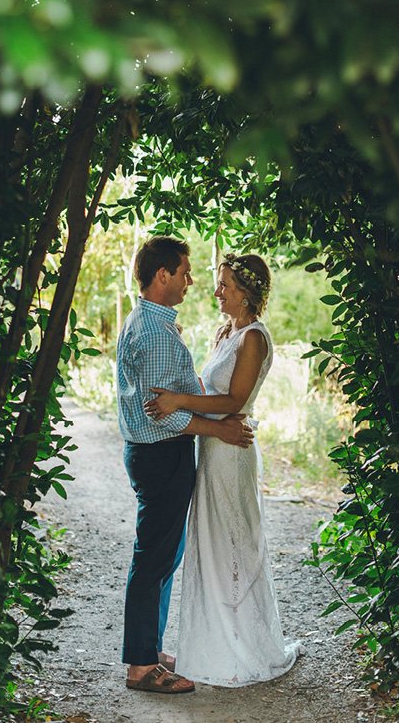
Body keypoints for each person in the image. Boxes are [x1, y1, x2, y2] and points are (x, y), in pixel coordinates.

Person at [144, 252, 304, 686]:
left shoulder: (254, 338)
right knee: (212, 545)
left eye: (225, 285)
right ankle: (216, 643)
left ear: (246, 293)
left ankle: (244, 646)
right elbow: (207, 387)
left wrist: (178, 401)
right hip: (211, 449)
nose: (216, 291)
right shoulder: (225, 332)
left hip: (232, 451)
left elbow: (234, 400)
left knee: (234, 543)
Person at [116, 236, 254, 695]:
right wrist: (220, 430)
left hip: (157, 453)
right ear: (163, 275)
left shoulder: (150, 322)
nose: (191, 281)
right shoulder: (155, 333)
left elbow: (175, 392)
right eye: (185, 273)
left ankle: (149, 650)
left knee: (163, 556)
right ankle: (141, 667)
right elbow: (166, 411)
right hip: (161, 454)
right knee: (153, 559)